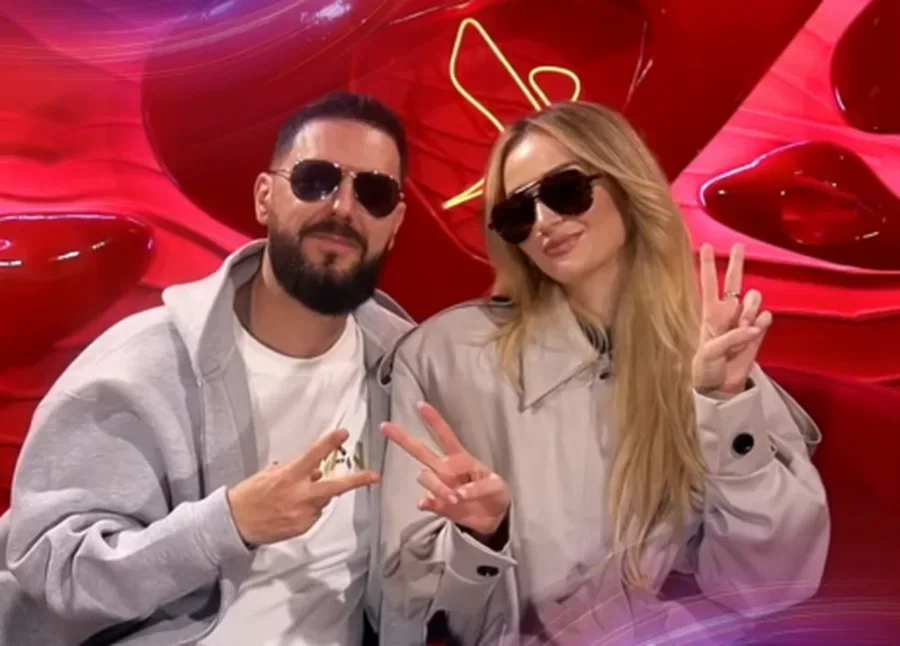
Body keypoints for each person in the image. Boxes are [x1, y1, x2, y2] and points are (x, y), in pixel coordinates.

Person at [378, 102, 829, 645]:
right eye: (517, 214)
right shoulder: (445, 356)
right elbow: (400, 607)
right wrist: (482, 539)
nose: (543, 222)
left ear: (624, 183)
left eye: (565, 191)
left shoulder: (701, 354)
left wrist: (724, 404)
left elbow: (770, 588)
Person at [0, 92, 414, 646]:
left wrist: (483, 533)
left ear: (395, 223)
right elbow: (54, 570)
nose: (342, 208)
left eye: (373, 193)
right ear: (265, 197)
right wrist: (225, 525)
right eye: (315, 180)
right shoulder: (139, 369)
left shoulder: (408, 370)